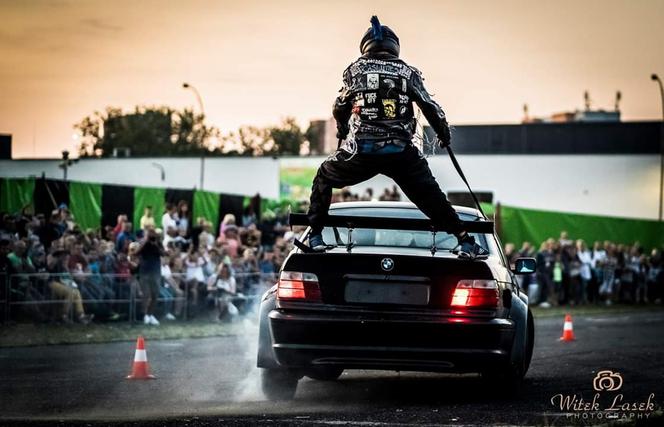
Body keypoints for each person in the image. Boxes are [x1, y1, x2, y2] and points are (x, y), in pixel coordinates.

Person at [306, 16, 487, 259]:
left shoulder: (354, 71)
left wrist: (341, 129)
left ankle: (315, 236)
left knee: (324, 177)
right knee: (431, 196)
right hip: (400, 151)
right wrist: (443, 134)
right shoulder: (408, 72)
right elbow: (429, 105)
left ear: (365, 47)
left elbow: (340, 105)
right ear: (395, 47)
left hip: (362, 150)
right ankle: (465, 241)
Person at [135, 227, 165, 325]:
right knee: (146, 294)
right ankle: (144, 316)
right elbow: (136, 253)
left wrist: (156, 244)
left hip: (155, 272)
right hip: (144, 272)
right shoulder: (142, 243)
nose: (152, 236)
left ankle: (150, 314)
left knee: (155, 295)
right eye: (150, 234)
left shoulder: (158, 243)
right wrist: (146, 242)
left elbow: (163, 253)